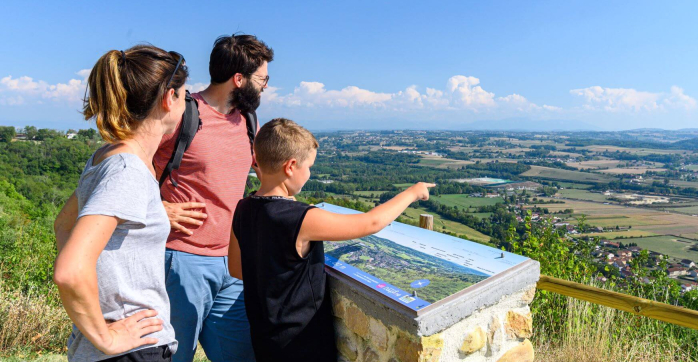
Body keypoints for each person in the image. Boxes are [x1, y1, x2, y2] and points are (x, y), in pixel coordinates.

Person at [227, 118, 434, 362]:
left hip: (265, 339)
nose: (310, 173)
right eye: (309, 166)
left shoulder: (243, 207)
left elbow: (237, 269)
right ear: (291, 166)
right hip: (303, 344)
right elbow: (371, 223)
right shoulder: (300, 219)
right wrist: (413, 192)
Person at [53, 45, 188, 361]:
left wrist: (98, 311)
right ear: (169, 99)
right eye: (186, 96)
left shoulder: (106, 157)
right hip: (131, 350)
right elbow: (70, 270)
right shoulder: (127, 169)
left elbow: (63, 224)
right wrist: (106, 336)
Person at [152, 34, 273, 362]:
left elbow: (268, 175)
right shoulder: (182, 115)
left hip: (234, 261)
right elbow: (137, 162)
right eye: (262, 78)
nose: (265, 86)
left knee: (242, 356)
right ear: (239, 79)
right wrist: (156, 208)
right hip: (182, 260)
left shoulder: (248, 121)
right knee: (175, 356)